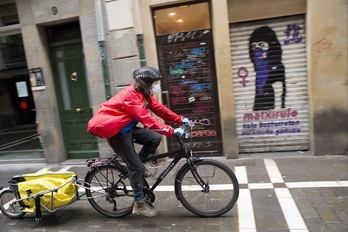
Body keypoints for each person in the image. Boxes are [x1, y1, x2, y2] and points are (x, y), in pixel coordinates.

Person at [87, 66, 190, 217]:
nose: (156, 86)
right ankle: (139, 203)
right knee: (137, 168)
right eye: (154, 83)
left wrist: (180, 119)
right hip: (118, 135)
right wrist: (171, 130)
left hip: (127, 130)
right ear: (146, 83)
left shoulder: (145, 94)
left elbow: (160, 109)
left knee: (155, 138)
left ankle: (138, 165)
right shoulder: (131, 97)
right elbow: (148, 120)